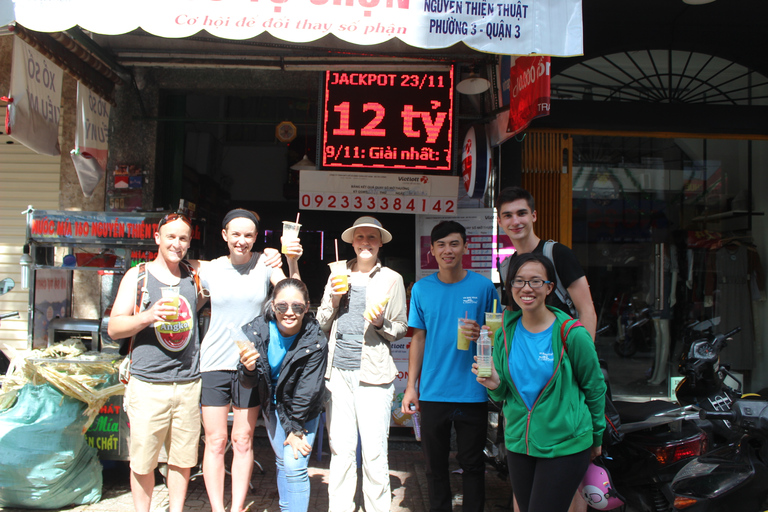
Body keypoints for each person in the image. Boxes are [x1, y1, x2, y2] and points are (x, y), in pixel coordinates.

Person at [473, 252, 606, 512]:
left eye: (536, 281)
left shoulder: (572, 333)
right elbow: (502, 395)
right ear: (510, 288)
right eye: (518, 281)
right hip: (519, 444)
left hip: (565, 444)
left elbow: (595, 387)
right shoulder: (504, 335)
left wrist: (597, 437)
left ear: (549, 288)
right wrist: (495, 383)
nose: (526, 288)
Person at [195, 208, 302, 512]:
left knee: (242, 439)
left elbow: (292, 293)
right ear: (225, 235)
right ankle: (217, 508)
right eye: (236, 234)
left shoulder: (266, 264)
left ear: (256, 237)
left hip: (251, 362)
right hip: (215, 362)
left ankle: (237, 506)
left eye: (249, 235)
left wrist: (290, 259)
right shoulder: (211, 269)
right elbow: (188, 301)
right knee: (215, 441)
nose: (242, 240)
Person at [107, 213, 203, 512]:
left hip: (188, 383)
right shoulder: (138, 276)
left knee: (182, 460)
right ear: (158, 238)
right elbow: (113, 328)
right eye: (171, 237)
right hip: (147, 384)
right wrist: (148, 316)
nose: (177, 243)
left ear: (189, 243)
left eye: (183, 238)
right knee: (143, 461)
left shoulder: (193, 275)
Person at [401, 220, 498, 512]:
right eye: (441, 245)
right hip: (433, 391)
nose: (448, 250)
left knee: (472, 464)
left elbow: (498, 332)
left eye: (454, 243)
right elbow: (418, 339)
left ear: (465, 247)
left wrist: (482, 331)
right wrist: (410, 388)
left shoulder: (483, 287)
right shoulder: (421, 289)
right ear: (431, 251)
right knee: (434, 466)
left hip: (473, 389)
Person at [317, 216, 408, 512]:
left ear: (380, 242)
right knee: (341, 450)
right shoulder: (337, 274)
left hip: (374, 377)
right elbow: (320, 324)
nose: (366, 242)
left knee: (374, 452)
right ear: (352, 242)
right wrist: (333, 299)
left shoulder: (392, 279)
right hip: (339, 374)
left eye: (372, 237)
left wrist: (382, 323)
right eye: (360, 237)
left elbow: (401, 328)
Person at [237, 278, 328, 512]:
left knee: (294, 464)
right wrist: (247, 369)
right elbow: (248, 383)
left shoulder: (315, 340)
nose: (289, 312)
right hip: (272, 406)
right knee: (281, 462)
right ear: (272, 305)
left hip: (303, 408)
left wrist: (295, 429)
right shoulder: (257, 331)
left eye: (297, 307)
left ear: (307, 307)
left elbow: (308, 390)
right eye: (282, 306)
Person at [497, 186, 597, 338]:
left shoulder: (558, 254)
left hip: (562, 351)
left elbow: (586, 310)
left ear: (534, 216)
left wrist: (583, 357)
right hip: (526, 355)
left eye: (522, 213)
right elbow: (511, 316)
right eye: (508, 215)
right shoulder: (506, 267)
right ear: (500, 222)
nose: (515, 221)